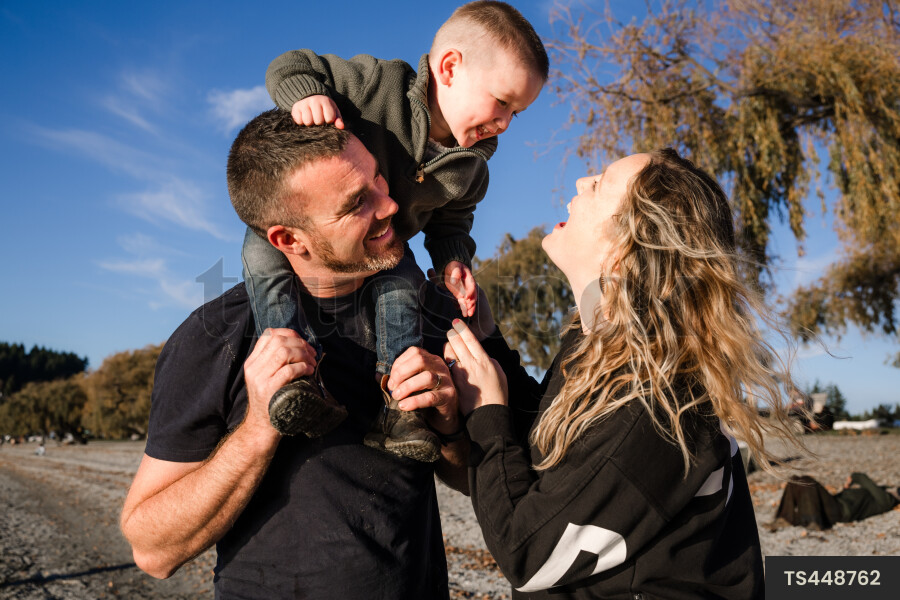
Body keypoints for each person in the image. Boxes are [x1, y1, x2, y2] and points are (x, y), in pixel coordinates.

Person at [120, 113, 496, 599]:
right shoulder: (216, 337)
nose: (391, 205)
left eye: (378, 179)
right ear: (287, 239)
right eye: (357, 203)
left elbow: (477, 481)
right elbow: (153, 552)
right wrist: (258, 428)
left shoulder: (434, 314)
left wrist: (447, 425)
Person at [442, 149, 802, 599]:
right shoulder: (611, 348)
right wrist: (488, 342)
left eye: (600, 183)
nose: (580, 182)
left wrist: (487, 414)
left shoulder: (654, 401)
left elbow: (527, 553)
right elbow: (549, 452)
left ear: (626, 249)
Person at [248, 1, 547, 459]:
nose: (504, 123)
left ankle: (398, 403)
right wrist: (305, 95)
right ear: (449, 68)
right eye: (502, 101)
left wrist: (453, 263)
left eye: (516, 114)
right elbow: (291, 63)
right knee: (260, 256)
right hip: (322, 231)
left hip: (386, 247)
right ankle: (295, 376)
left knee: (403, 286)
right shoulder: (378, 86)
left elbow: (453, 220)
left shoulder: (470, 167)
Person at [772, 472, 900, 530]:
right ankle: (785, 518)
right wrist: (846, 489)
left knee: (807, 481)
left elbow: (863, 478)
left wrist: (853, 477)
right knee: (795, 480)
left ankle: (813, 521)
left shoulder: (888, 500)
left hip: (840, 511)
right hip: (835, 503)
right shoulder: (882, 492)